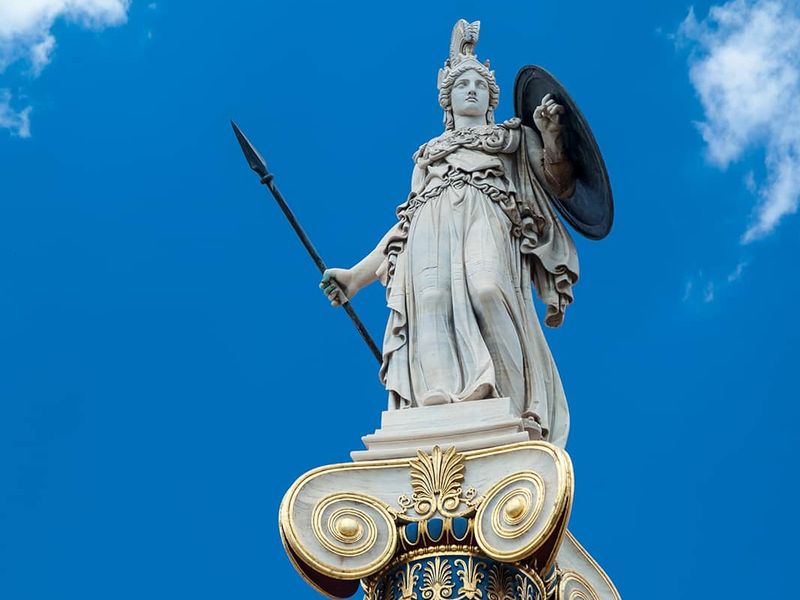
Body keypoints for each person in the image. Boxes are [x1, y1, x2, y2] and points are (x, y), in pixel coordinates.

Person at [320, 20, 579, 448]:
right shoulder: (428, 155)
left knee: (488, 289)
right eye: (464, 84)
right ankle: (436, 397)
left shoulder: (511, 138)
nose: (473, 90)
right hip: (431, 224)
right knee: (431, 299)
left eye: (480, 84)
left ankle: (514, 405)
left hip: (488, 213)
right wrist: (355, 277)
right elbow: (405, 224)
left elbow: (560, 180)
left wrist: (551, 137)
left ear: (492, 98)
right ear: (449, 98)